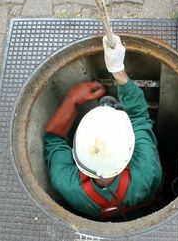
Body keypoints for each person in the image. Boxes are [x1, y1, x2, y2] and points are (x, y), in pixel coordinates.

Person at [43, 34, 162, 220]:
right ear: (129, 150)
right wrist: (118, 71)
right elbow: (139, 116)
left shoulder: (65, 184)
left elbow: (53, 140)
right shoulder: (146, 170)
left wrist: (72, 100)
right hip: (140, 208)